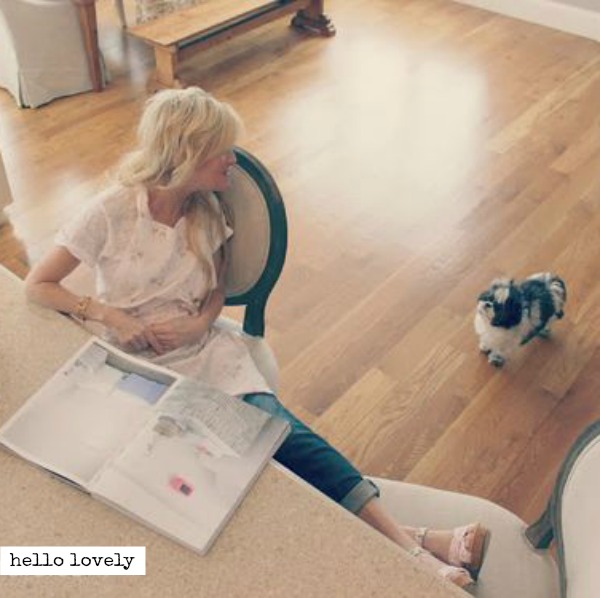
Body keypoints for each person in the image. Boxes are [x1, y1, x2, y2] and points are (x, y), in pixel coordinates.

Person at [25, 87, 489, 589]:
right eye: (221, 150)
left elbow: (219, 286)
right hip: (138, 373)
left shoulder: (207, 210)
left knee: (285, 437)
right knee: (209, 489)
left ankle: (407, 552)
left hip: (205, 354)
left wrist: (200, 322)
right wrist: (110, 316)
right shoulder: (108, 212)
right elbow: (38, 285)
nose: (233, 160)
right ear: (185, 154)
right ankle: (419, 539)